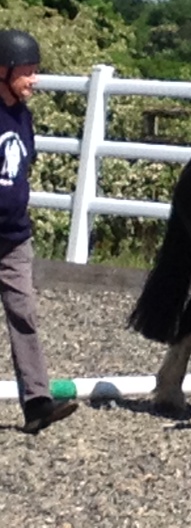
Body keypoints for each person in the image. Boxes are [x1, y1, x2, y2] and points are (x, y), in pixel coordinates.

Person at [0, 29, 78, 434]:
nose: (34, 80)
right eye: (27, 72)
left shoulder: (23, 117)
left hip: (13, 237)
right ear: (3, 70)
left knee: (25, 313)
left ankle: (36, 402)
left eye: (35, 72)